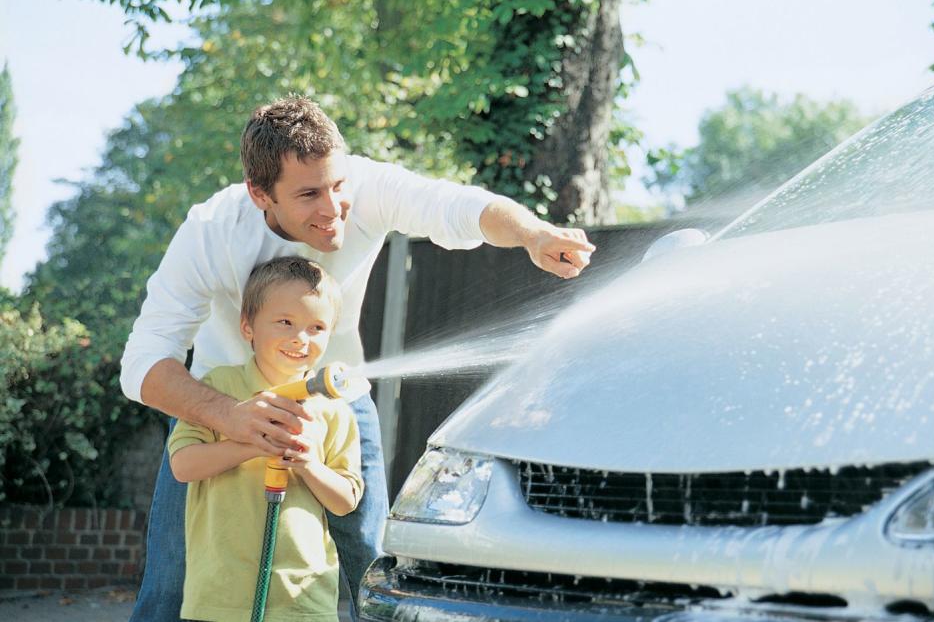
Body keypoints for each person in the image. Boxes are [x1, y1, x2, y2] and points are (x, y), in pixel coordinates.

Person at [122, 95, 595, 621]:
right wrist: (230, 416)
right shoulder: (211, 231)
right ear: (261, 194)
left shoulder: (368, 187)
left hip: (336, 399)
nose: (332, 207)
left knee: (373, 565)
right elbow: (143, 361)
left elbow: (460, 207)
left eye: (337, 185)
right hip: (221, 403)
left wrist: (532, 233)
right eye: (307, 194)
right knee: (170, 584)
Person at [168, 256, 360, 621]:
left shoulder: (333, 410)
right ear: (247, 326)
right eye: (285, 322)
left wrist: (309, 465)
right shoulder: (220, 389)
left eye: (316, 327)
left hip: (303, 600)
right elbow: (183, 465)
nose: (300, 338)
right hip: (221, 597)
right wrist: (251, 444)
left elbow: (346, 501)